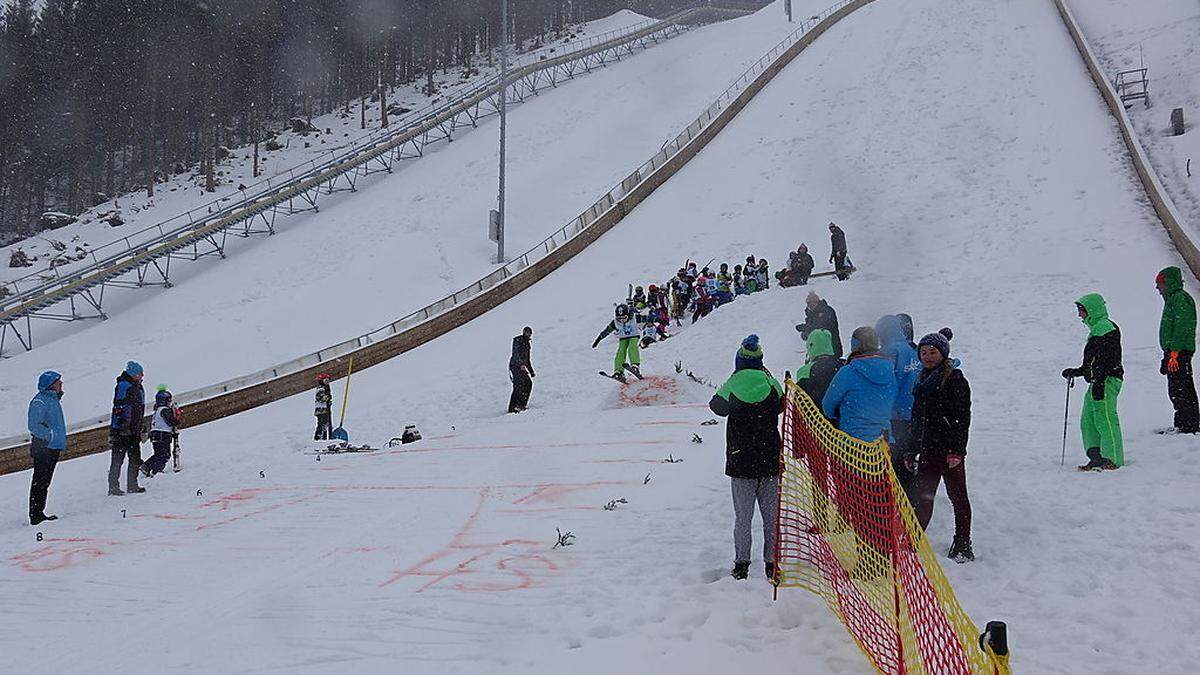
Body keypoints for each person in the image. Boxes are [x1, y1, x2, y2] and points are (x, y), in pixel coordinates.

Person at [708, 335, 784, 581]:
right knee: (771, 517)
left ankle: (742, 564)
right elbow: (782, 405)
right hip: (769, 460)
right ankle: (772, 563)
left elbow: (716, 406)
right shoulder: (771, 383)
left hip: (741, 462)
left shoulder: (733, 383)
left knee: (743, 518)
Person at [904, 330, 973, 562]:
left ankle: (963, 543)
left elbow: (962, 418)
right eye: (923, 352)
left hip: (948, 451)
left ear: (943, 353)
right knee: (923, 498)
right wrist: (911, 448)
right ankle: (911, 542)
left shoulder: (955, 379)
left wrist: (957, 451)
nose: (928, 356)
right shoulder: (921, 379)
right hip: (927, 450)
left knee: (958, 497)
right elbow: (916, 419)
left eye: (933, 352)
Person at [1062, 293, 1124, 470]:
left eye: (1081, 310)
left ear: (1091, 310)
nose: (1079, 314)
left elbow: (1106, 359)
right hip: (1098, 381)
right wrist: (1078, 372)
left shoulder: (1105, 328)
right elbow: (1093, 362)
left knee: (1105, 418)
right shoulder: (1097, 328)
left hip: (1107, 380)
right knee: (1088, 420)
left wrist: (1100, 381)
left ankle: (1112, 459)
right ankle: (1096, 457)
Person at [822, 327, 897, 442]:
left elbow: (828, 405)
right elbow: (893, 400)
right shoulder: (889, 370)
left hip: (853, 441)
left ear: (854, 344)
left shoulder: (848, 371)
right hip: (883, 440)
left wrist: (838, 415)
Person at [877, 315, 922, 485]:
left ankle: (900, 503)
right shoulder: (913, 349)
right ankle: (913, 503)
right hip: (915, 414)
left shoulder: (888, 352)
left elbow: (884, 385)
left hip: (894, 417)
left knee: (895, 464)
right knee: (910, 462)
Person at [1157, 266, 1198, 433]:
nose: (1158, 289)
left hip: (1178, 353)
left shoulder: (1181, 299)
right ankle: (1182, 423)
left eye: (1160, 284)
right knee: (1176, 388)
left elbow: (1183, 327)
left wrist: (1174, 352)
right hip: (1173, 352)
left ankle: (1189, 425)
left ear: (1169, 283)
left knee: (1182, 388)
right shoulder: (1173, 300)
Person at [27, 371, 65, 525]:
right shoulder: (40, 401)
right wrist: (49, 435)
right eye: (58, 382)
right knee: (40, 481)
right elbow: (34, 425)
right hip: (43, 446)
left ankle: (39, 512)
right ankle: (35, 515)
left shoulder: (52, 399)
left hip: (51, 446)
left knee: (44, 481)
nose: (61, 384)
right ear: (51, 384)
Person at [109, 361, 146, 495]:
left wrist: (140, 426)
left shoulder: (137, 386)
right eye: (140, 373)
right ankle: (113, 487)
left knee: (135, 458)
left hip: (133, 430)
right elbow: (120, 408)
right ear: (134, 374)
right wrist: (122, 426)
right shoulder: (124, 385)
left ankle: (132, 484)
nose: (142, 376)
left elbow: (138, 410)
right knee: (118, 459)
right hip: (122, 431)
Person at [592, 304, 648, 383]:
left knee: (632, 347)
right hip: (623, 338)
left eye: (624, 317)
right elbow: (606, 331)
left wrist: (658, 319)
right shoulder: (615, 322)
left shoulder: (634, 318)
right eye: (619, 318)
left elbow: (648, 318)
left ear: (628, 315)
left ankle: (635, 365)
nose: (621, 320)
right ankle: (618, 371)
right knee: (621, 351)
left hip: (634, 336)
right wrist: (598, 340)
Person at [794, 328, 842, 407]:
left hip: (814, 416)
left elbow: (800, 400)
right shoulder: (842, 366)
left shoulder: (805, 371)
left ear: (811, 346)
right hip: (841, 417)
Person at [142, 386, 180, 477]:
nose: (170, 402)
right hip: (162, 434)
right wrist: (177, 418)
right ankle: (156, 470)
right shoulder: (165, 410)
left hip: (155, 434)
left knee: (158, 454)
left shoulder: (157, 410)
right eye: (168, 400)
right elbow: (171, 422)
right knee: (164, 454)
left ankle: (146, 467)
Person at [795, 292, 843, 359]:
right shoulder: (811, 314)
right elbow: (813, 330)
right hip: (818, 350)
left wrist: (805, 327)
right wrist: (806, 334)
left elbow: (821, 327)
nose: (809, 306)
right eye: (808, 303)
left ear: (817, 302)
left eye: (811, 303)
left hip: (831, 347)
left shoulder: (826, 311)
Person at [507, 326, 535, 413]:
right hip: (515, 366)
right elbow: (516, 354)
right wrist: (521, 364)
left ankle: (521, 405)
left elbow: (527, 359)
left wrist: (531, 371)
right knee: (518, 386)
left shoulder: (527, 344)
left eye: (530, 333)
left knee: (528, 383)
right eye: (527, 332)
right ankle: (513, 408)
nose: (528, 334)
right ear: (524, 332)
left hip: (521, 367)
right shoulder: (518, 340)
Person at [314, 373, 334, 440]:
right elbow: (320, 398)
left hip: (326, 409)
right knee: (322, 424)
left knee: (325, 424)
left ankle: (324, 438)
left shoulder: (326, 388)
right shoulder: (321, 388)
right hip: (321, 410)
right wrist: (328, 397)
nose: (327, 381)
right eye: (325, 380)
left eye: (328, 380)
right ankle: (319, 437)